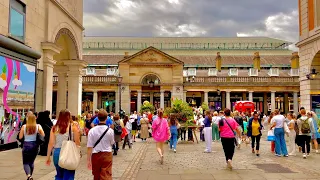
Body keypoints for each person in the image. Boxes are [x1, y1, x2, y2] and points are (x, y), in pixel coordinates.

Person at [46, 109, 81, 180]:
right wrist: (78, 151)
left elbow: (51, 143)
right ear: (69, 117)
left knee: (59, 175)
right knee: (69, 175)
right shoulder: (73, 127)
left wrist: (48, 156)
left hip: (57, 153)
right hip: (69, 153)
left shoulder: (54, 128)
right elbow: (77, 141)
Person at [87, 109, 115, 180]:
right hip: (107, 154)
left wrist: (88, 160)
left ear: (97, 118)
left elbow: (89, 146)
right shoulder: (110, 131)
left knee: (96, 175)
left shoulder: (92, 131)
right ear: (106, 118)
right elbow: (112, 142)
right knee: (106, 174)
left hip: (95, 154)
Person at [19, 114, 45, 180]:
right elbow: (43, 135)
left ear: (28, 119)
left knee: (25, 162)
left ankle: (29, 175)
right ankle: (30, 175)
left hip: (26, 145)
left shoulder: (24, 126)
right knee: (31, 162)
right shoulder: (38, 126)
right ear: (35, 119)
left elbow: (20, 137)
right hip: (35, 146)